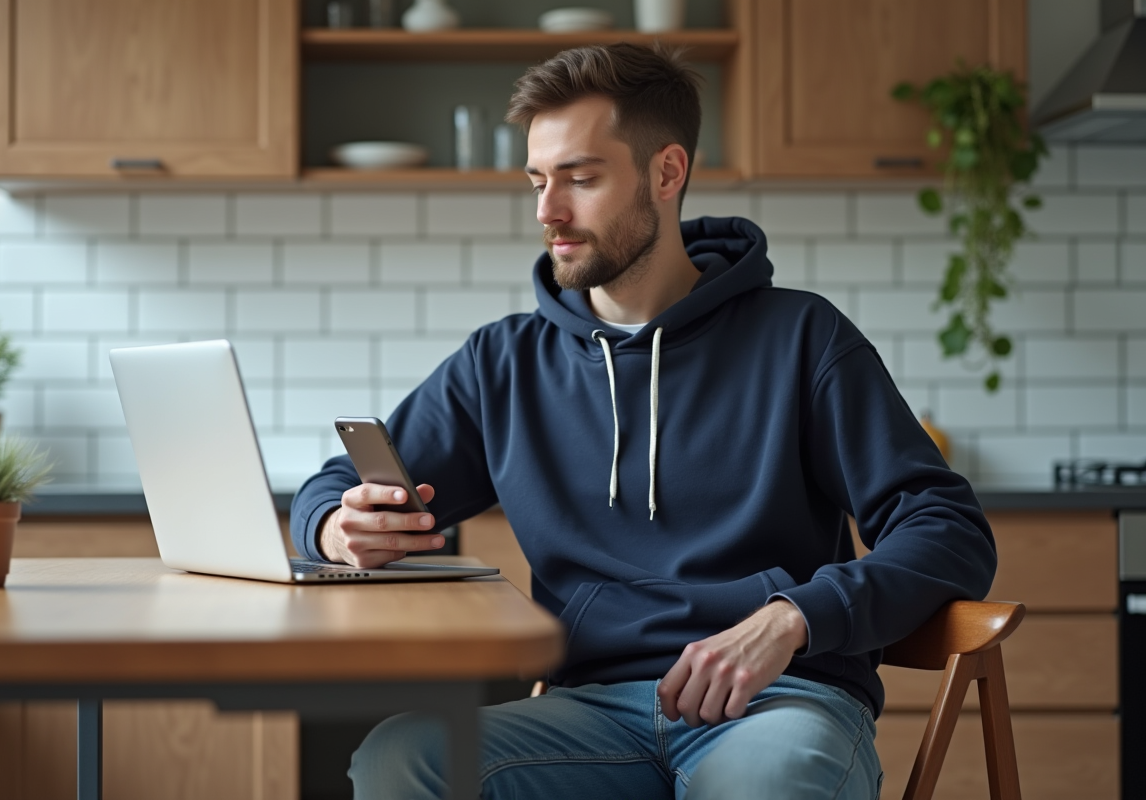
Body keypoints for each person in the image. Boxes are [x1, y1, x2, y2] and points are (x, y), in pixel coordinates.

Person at [290, 42, 996, 800]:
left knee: (770, 782)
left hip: (777, 704)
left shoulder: (803, 339)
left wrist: (793, 617)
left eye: (580, 179)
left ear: (667, 172)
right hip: (585, 716)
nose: (547, 211)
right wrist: (336, 526)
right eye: (537, 181)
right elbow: (336, 485)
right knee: (402, 759)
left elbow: (948, 529)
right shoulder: (504, 363)